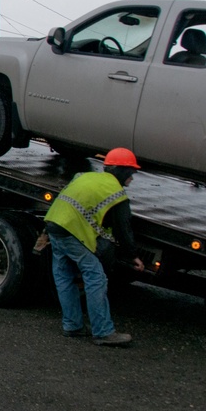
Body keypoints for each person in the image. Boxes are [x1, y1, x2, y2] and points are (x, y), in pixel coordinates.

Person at [43, 147, 144, 346]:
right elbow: (124, 229)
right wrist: (133, 256)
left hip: (53, 224)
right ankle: (103, 332)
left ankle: (73, 326)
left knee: (64, 276)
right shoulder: (115, 193)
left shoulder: (86, 177)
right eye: (131, 173)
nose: (132, 179)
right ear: (121, 171)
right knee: (95, 276)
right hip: (71, 231)